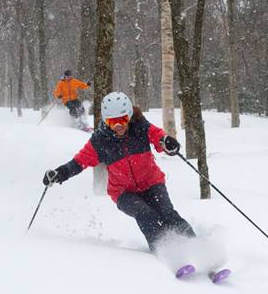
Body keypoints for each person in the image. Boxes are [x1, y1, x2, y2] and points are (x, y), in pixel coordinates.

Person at [43, 91, 196, 252]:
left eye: (122, 120)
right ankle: (166, 251)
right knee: (146, 214)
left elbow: (159, 138)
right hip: (123, 192)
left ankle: (196, 247)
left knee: (167, 214)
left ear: (129, 116)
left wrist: (168, 143)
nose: (118, 126)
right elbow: (79, 162)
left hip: (151, 183)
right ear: (105, 120)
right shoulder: (100, 140)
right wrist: (59, 173)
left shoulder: (140, 127)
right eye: (112, 121)